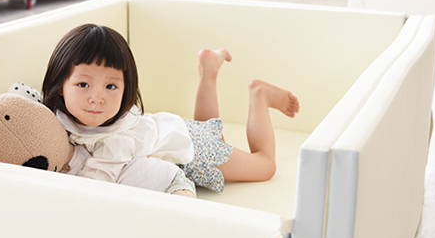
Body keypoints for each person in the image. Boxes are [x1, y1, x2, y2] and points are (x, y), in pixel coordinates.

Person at [42, 24, 299, 198]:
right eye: (83, 84)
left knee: (265, 165)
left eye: (111, 86)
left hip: (197, 151)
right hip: (175, 131)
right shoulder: (56, 116)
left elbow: (94, 185)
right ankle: (209, 69)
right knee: (209, 128)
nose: (97, 98)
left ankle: (260, 96)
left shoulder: (118, 141)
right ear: (60, 84)